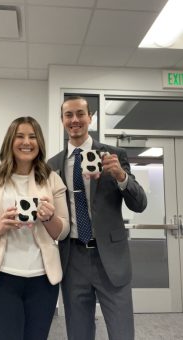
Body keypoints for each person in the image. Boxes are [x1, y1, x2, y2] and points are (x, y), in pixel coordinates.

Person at [0, 116, 69, 340]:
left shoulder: (52, 179)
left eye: (32, 136)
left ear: (39, 142)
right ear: (10, 141)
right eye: (20, 136)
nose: (26, 142)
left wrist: (49, 218)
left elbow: (63, 231)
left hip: (42, 281)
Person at [48, 96, 147, 340]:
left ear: (90, 118)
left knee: (122, 332)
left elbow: (140, 204)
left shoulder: (114, 155)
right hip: (72, 258)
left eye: (80, 114)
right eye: (68, 115)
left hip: (111, 258)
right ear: (62, 120)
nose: (75, 120)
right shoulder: (52, 165)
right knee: (79, 332)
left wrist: (121, 176)